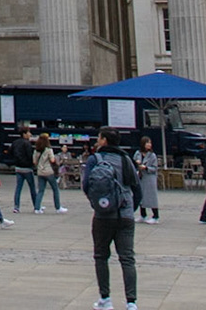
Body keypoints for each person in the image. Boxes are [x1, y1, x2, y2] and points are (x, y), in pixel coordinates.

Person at [82, 127, 142, 310]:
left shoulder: (95, 159)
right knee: (127, 258)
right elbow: (137, 188)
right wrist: (131, 207)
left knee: (101, 256)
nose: (98, 141)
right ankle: (131, 302)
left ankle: (105, 299)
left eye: (99, 138)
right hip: (125, 214)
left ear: (104, 141)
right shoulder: (126, 159)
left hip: (103, 214)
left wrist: (98, 203)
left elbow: (86, 185)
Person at [33, 132, 66, 213]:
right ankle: (58, 208)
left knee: (41, 190)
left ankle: (37, 208)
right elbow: (52, 160)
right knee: (55, 189)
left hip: (40, 172)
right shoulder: (49, 150)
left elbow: (34, 162)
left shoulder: (36, 151)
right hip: (49, 172)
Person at [10, 125, 39, 212]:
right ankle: (36, 205)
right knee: (32, 188)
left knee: (18, 187)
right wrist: (32, 164)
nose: (30, 134)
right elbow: (30, 155)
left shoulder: (15, 142)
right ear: (24, 134)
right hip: (27, 168)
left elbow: (10, 152)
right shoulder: (27, 143)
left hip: (18, 168)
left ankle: (16, 206)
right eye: (28, 132)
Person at [135, 135, 161, 223]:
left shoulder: (152, 155)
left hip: (149, 178)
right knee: (141, 196)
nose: (149, 145)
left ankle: (155, 216)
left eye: (150, 143)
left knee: (151, 196)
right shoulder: (138, 153)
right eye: (147, 143)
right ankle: (143, 214)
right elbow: (133, 162)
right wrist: (137, 164)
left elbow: (154, 168)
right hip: (141, 177)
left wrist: (146, 168)